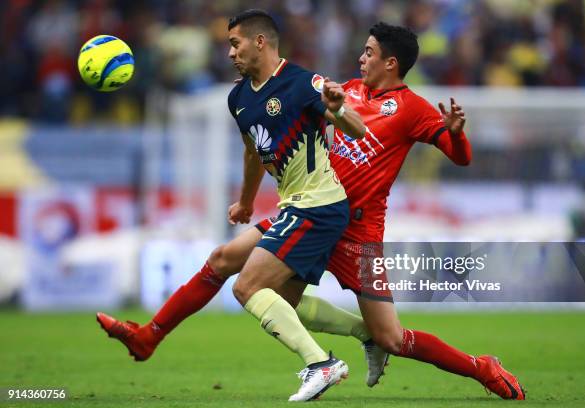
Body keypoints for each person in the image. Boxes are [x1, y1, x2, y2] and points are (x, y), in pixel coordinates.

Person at [98, 21, 526, 401]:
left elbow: (459, 156)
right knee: (228, 263)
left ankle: (481, 367)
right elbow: (281, 130)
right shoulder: (344, 89)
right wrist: (250, 195)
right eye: (362, 50)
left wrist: (457, 135)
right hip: (311, 207)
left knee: (392, 337)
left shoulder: (412, 108)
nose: (360, 58)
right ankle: (149, 336)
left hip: (358, 231)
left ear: (391, 63)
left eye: (370, 53)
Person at [99, 9, 365, 402]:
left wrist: (339, 107)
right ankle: (148, 337)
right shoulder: (239, 97)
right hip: (293, 206)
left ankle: (319, 364)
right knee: (226, 262)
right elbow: (254, 153)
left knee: (247, 288)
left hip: (319, 205)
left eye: (234, 43)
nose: (229, 53)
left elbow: (357, 130)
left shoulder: (303, 82)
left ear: (260, 42)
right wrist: (244, 202)